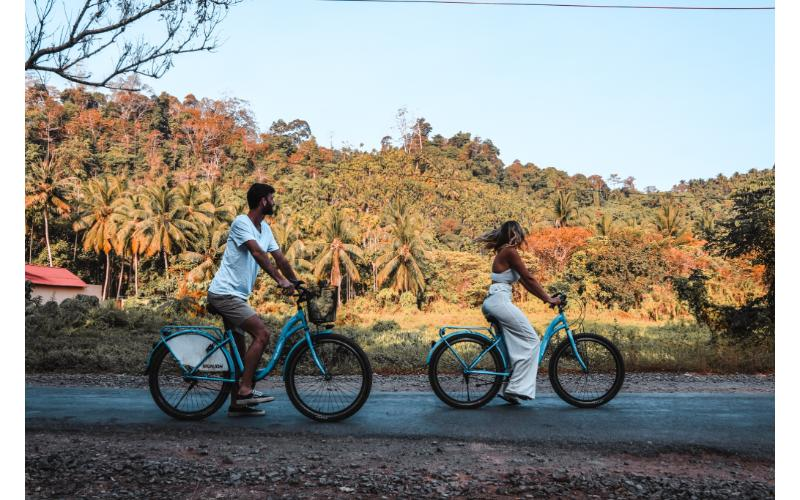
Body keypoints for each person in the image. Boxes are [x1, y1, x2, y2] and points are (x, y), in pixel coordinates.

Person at [207, 183, 300, 417]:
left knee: (238, 353)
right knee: (262, 334)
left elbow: (279, 258)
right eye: (271, 198)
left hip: (237, 296)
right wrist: (280, 281)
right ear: (262, 201)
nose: (273, 202)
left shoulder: (265, 229)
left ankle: (237, 405)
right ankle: (245, 389)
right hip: (224, 294)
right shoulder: (242, 223)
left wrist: (297, 282)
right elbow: (258, 254)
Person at [476, 221, 561, 405]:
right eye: (520, 234)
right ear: (515, 234)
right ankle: (515, 389)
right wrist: (549, 299)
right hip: (499, 300)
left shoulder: (504, 252)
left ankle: (512, 389)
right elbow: (529, 278)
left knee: (516, 344)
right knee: (532, 341)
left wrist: (545, 297)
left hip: (497, 300)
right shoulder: (509, 251)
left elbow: (526, 283)